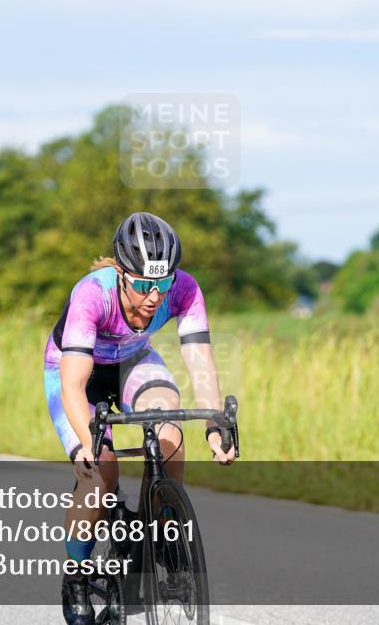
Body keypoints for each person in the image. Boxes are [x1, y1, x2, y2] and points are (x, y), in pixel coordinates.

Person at [43, 211, 236, 624]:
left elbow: (198, 358)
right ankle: (76, 574)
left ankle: (164, 525)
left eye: (162, 282)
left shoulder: (185, 289)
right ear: (121, 271)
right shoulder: (92, 294)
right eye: (144, 284)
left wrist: (214, 423)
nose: (154, 295)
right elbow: (74, 385)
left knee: (169, 428)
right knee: (102, 472)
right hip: (79, 369)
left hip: (133, 360)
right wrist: (88, 449)